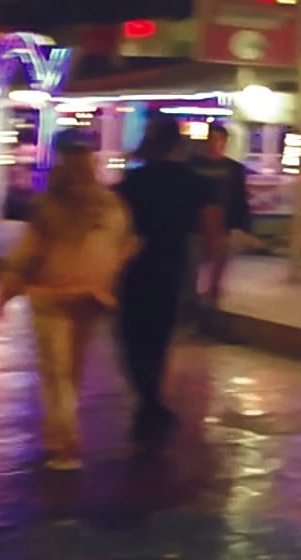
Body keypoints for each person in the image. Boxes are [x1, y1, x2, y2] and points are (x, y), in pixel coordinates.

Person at [0, 140, 137, 469]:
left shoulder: (47, 207)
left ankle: (63, 441)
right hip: (90, 295)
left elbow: (28, 253)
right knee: (70, 369)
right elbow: (124, 246)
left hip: (51, 294)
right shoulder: (112, 206)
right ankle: (61, 435)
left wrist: (7, 288)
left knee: (56, 370)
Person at [116, 117, 219, 450]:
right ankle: (152, 399)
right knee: (160, 334)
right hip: (173, 263)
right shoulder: (195, 182)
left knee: (132, 334)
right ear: (179, 144)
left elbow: (115, 223)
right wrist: (211, 268)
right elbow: (210, 228)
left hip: (134, 262)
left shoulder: (132, 181)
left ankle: (147, 395)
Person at [188, 123, 253, 328]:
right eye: (213, 140)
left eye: (219, 140)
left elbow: (240, 199)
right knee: (193, 273)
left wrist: (240, 226)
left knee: (215, 275)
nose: (216, 145)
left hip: (221, 229)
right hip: (196, 228)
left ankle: (208, 314)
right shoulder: (193, 167)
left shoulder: (233, 170)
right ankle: (196, 314)